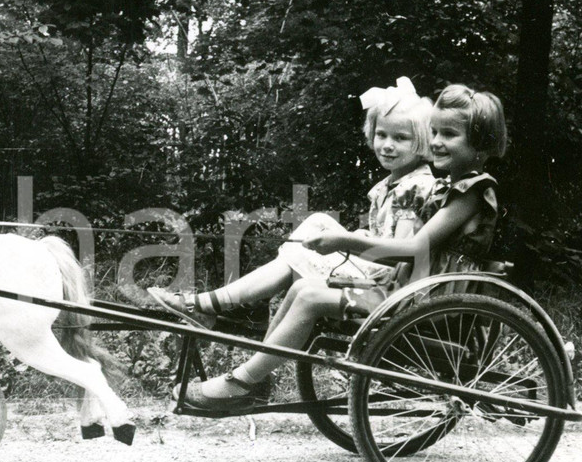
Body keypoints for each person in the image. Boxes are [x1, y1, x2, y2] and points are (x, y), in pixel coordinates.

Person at [176, 83, 508, 409]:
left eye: (449, 134)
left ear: (480, 142)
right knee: (303, 287)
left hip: (426, 301)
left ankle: (243, 382)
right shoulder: (449, 187)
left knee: (310, 297)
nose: (436, 142)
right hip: (410, 290)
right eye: (434, 132)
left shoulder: (472, 192)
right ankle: (256, 379)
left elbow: (414, 249)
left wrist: (344, 241)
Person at [149, 76, 436, 329]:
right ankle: (235, 304)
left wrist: (348, 242)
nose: (387, 145)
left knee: (306, 245)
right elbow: (386, 238)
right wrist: (361, 238)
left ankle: (218, 304)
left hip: (388, 287)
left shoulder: (415, 187)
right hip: (379, 274)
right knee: (317, 223)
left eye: (401, 138)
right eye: (381, 135)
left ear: (422, 141)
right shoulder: (393, 184)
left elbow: (400, 254)